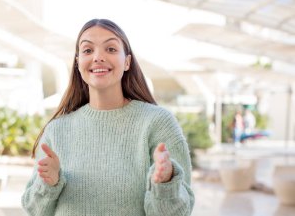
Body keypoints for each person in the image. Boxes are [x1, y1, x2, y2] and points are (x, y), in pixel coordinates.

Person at [21, 19, 194, 216]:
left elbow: (180, 212)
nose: (98, 57)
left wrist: (165, 183)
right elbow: (34, 210)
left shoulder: (157, 123)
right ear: (77, 63)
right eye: (87, 50)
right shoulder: (56, 130)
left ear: (127, 61)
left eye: (110, 49)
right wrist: (48, 184)